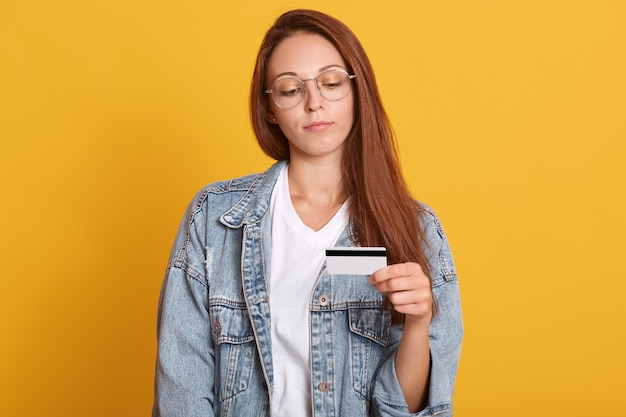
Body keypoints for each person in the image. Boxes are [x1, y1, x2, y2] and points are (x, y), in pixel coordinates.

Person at [152, 9, 462, 417]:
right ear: (269, 109)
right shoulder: (215, 219)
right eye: (289, 90)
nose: (314, 103)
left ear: (357, 91)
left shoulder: (416, 229)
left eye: (331, 83)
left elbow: (404, 410)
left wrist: (418, 324)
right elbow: (182, 390)